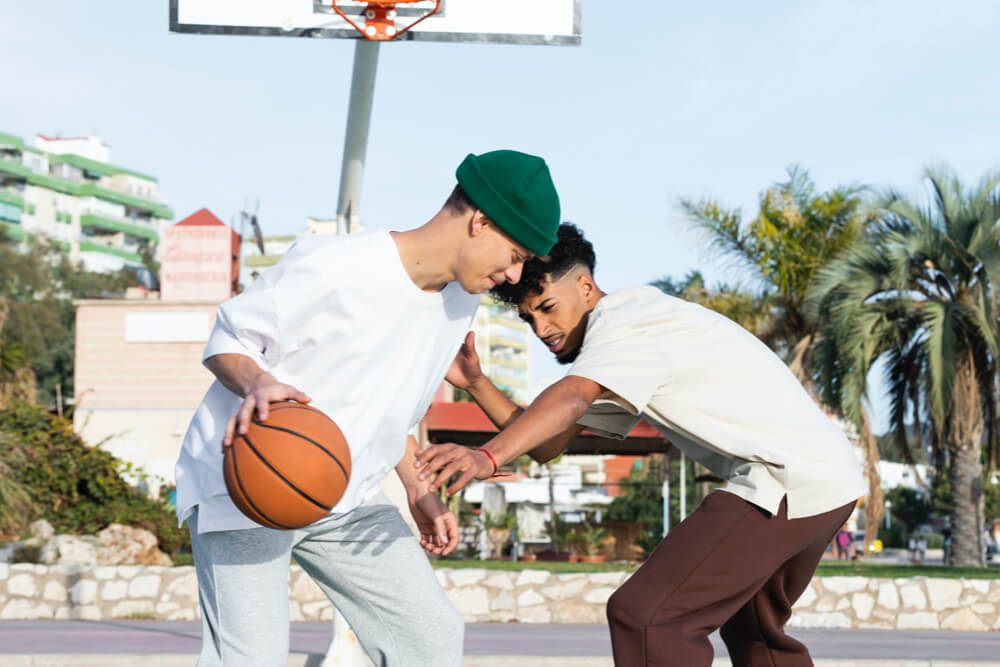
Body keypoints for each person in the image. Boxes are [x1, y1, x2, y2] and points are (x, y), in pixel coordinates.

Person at [173, 149, 561, 666]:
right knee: (252, 659)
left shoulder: (459, 302)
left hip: (347, 494)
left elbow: (390, 408)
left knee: (429, 637)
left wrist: (419, 489)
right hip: (247, 481)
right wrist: (259, 383)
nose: (514, 276)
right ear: (480, 221)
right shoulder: (338, 265)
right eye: (513, 255)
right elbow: (229, 339)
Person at [416, 223, 867, 666]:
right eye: (530, 317)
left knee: (648, 618)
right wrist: (475, 382)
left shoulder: (623, 324)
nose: (541, 328)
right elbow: (549, 443)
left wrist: (485, 455)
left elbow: (571, 396)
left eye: (548, 307)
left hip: (786, 479)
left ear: (587, 286)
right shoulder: (624, 343)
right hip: (826, 480)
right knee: (753, 633)